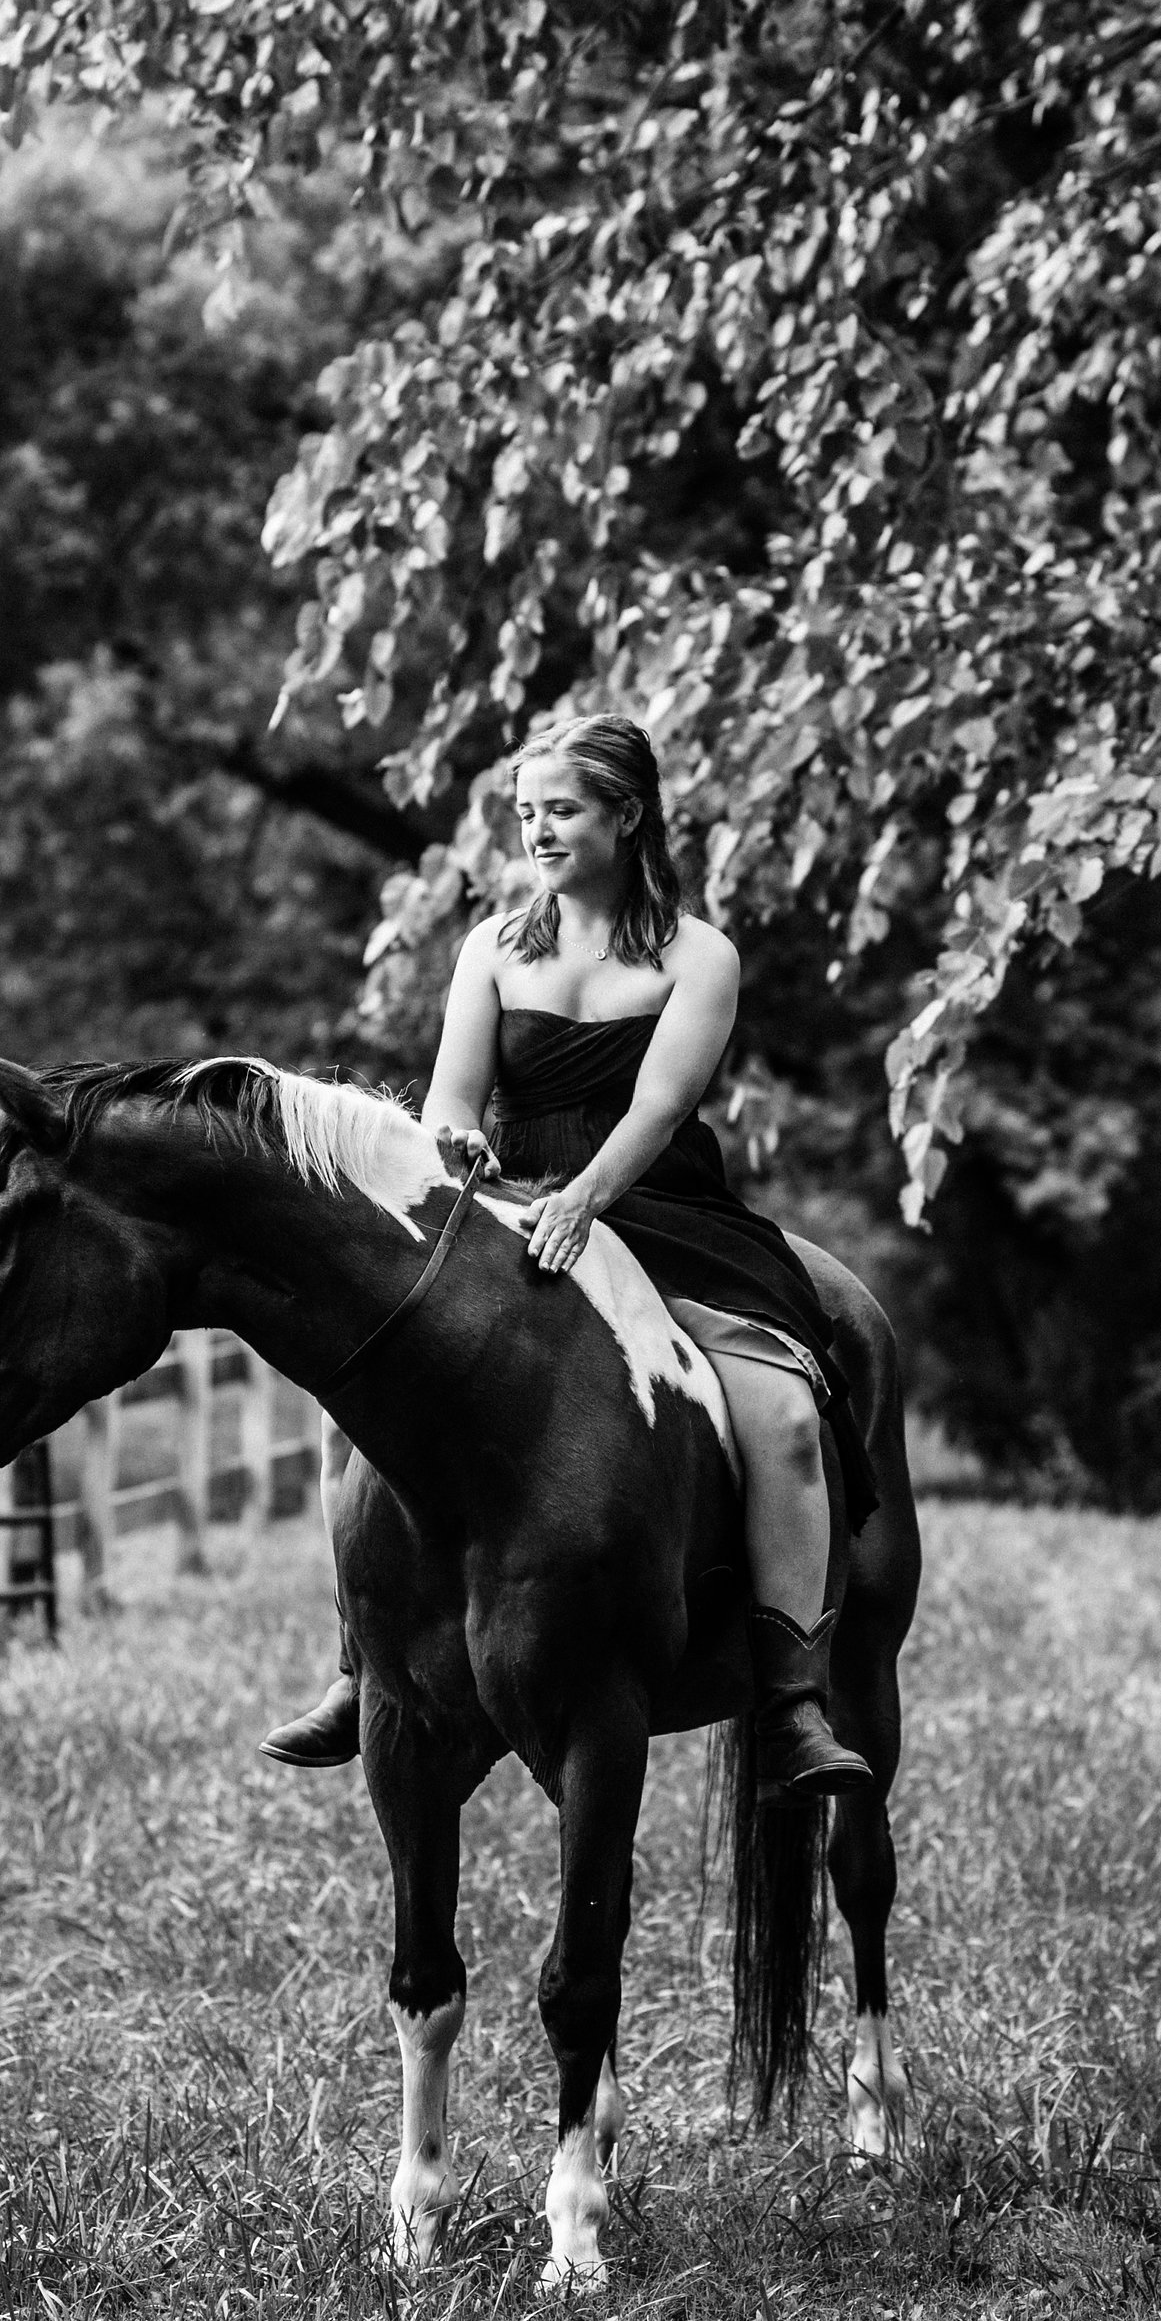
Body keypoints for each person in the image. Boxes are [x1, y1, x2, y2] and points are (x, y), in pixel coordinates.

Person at [264, 711, 875, 1807]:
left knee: (782, 1417)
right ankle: (362, 1660)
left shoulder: (699, 955)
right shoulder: (494, 945)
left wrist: (588, 1199)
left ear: (626, 814)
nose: (537, 831)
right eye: (526, 812)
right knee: (345, 1393)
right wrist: (457, 1143)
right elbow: (451, 1096)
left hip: (656, 1203)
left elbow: (660, 1104)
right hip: (505, 1199)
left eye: (561, 809)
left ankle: (788, 1698)